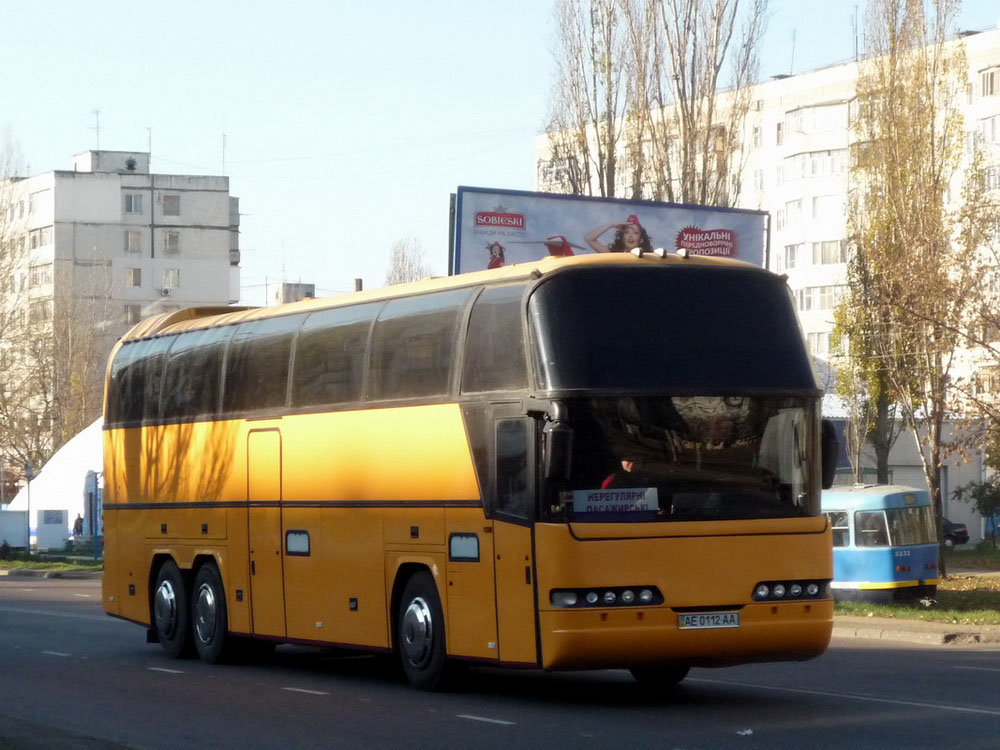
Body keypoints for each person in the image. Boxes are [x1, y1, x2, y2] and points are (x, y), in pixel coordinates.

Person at [585, 214, 653, 254]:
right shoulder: (615, 254)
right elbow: (589, 238)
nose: (630, 236)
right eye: (626, 232)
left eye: (635, 233)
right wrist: (611, 225)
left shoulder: (647, 257)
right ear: (623, 238)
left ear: (641, 239)